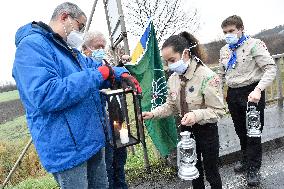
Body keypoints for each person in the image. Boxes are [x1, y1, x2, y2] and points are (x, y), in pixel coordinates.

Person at [12, 2, 141, 189]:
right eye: (80, 26)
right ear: (65, 17)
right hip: (68, 150)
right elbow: (46, 94)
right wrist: (100, 74)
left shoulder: (68, 51)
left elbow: (96, 67)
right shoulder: (32, 47)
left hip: (92, 141)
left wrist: (121, 74)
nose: (80, 33)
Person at [142, 31, 225, 189]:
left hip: (206, 130)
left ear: (185, 54)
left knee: (211, 170)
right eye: (166, 62)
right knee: (193, 169)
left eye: (172, 60)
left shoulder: (207, 76)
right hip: (186, 131)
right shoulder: (173, 79)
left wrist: (195, 114)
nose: (169, 66)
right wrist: (153, 114)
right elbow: (171, 106)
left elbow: (218, 110)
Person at [218, 15, 277, 187]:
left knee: (253, 131)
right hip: (233, 93)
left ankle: (254, 168)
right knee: (240, 130)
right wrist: (217, 90)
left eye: (231, 31)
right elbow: (222, 74)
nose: (228, 34)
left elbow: (270, 68)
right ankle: (245, 159)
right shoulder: (225, 50)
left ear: (241, 28)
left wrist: (259, 89)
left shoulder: (254, 45)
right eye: (225, 32)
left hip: (252, 92)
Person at [82, 31, 128, 189]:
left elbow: (114, 75)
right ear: (86, 49)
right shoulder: (84, 70)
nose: (102, 49)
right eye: (98, 46)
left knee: (120, 162)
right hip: (100, 128)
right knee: (106, 167)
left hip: (117, 122)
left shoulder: (105, 64)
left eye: (104, 46)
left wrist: (124, 71)